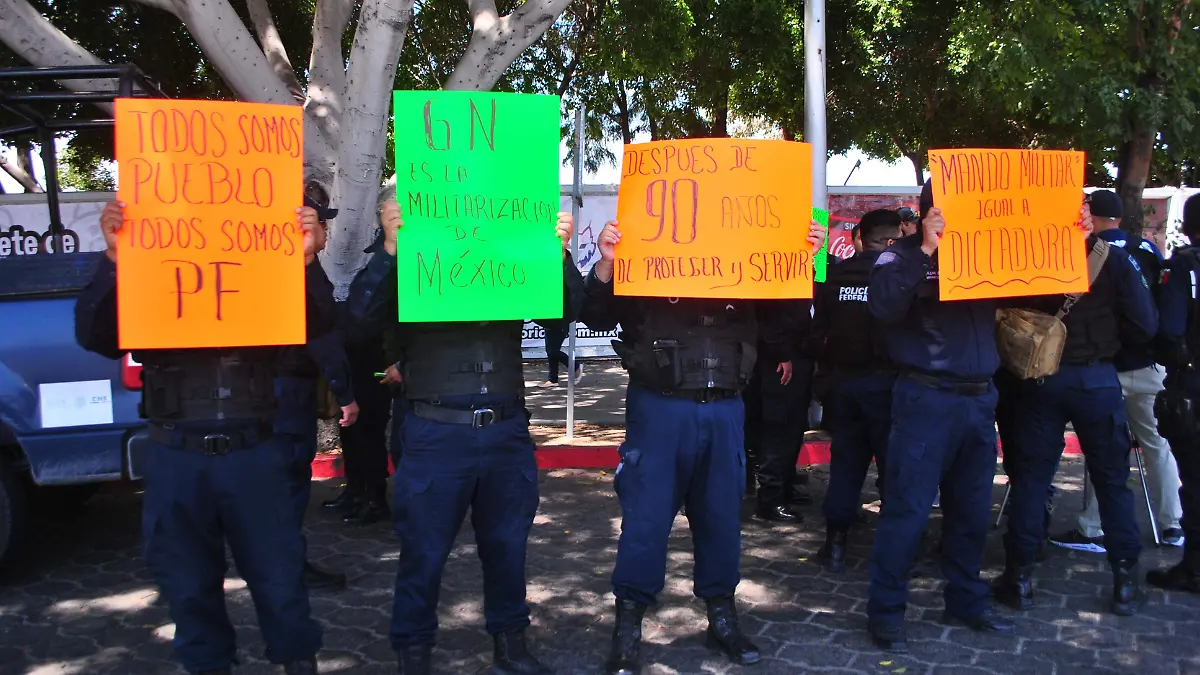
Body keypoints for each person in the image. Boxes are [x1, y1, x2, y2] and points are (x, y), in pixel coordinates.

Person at [75, 200, 330, 674]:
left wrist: (305, 263)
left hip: (254, 453)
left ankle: (297, 660)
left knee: (280, 580)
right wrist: (114, 260)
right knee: (188, 585)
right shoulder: (148, 271)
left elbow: (321, 326)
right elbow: (96, 336)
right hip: (178, 456)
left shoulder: (264, 269)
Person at [582, 216, 826, 675]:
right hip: (659, 409)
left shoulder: (748, 266)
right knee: (645, 521)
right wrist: (608, 265)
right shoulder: (647, 256)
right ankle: (628, 626)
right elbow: (594, 316)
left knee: (719, 519)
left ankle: (721, 616)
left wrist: (802, 265)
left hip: (725, 410)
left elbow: (784, 326)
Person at [347, 200, 582, 675]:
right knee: (424, 550)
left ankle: (511, 644)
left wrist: (559, 257)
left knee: (507, 544)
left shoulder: (515, 253)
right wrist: (390, 249)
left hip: (506, 429)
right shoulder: (409, 252)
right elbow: (358, 324)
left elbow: (568, 314)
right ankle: (413, 651)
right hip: (436, 430)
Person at [865, 180, 1013, 653]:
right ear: (930, 213)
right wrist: (928, 250)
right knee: (907, 510)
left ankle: (966, 599)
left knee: (971, 510)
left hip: (978, 401)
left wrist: (1077, 241)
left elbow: (1047, 295)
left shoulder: (989, 252)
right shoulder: (901, 256)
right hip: (926, 400)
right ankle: (886, 611)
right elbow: (884, 307)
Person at [994, 196, 1158, 617]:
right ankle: (1124, 580)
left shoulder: (1024, 260)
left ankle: (1020, 577)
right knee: (1112, 481)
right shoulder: (1116, 261)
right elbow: (1145, 326)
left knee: (1031, 479)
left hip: (1037, 380)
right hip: (1097, 379)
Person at [1049, 189, 1184, 551]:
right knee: (1157, 446)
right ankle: (1172, 524)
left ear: (1092, 215)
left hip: (1105, 367)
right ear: (1122, 216)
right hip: (1148, 364)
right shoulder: (1148, 249)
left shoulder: (1081, 250)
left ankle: (1093, 527)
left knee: (1107, 450)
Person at [275, 185, 360, 590]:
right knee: (288, 485)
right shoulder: (297, 272)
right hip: (286, 395)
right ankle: (287, 568)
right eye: (322, 219)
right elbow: (323, 333)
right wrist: (345, 395)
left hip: (274, 394)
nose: (326, 228)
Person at [812, 209, 902, 572]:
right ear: (894, 240)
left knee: (846, 466)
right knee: (894, 469)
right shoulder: (901, 277)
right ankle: (897, 550)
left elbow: (818, 323)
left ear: (857, 239)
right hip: (890, 386)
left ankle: (835, 545)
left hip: (844, 384)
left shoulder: (834, 274)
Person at [1146, 193, 1200, 592]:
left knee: (1195, 480)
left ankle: (1193, 568)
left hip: (1192, 386)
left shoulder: (1183, 267)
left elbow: (1168, 329)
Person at [745, 299, 815, 522]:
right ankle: (771, 496)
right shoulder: (781, 274)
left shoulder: (818, 265)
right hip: (781, 355)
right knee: (779, 425)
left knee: (793, 423)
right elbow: (769, 314)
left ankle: (784, 485)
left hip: (800, 349)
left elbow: (821, 280)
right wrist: (780, 352)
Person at [538, 317, 583, 387]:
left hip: (559, 324)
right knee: (551, 352)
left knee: (552, 351)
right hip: (549, 324)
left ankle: (576, 367)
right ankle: (552, 380)